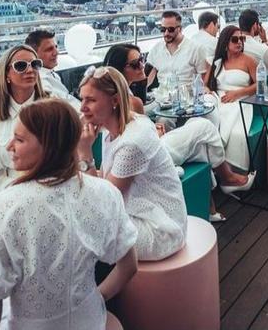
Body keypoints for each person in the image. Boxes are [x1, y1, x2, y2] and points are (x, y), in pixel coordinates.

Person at [0, 100, 138, 330]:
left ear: (48, 145)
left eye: (20, 139)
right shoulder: (105, 192)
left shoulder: (5, 206)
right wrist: (95, 299)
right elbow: (129, 266)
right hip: (90, 321)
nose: (8, 146)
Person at [105, 44, 252, 222]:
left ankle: (211, 204)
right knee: (203, 127)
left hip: (139, 155)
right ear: (121, 70)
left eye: (142, 60)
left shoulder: (113, 98)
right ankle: (227, 180)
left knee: (200, 138)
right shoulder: (132, 101)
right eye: (136, 63)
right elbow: (139, 140)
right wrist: (155, 133)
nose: (143, 65)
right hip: (151, 157)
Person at [77, 67, 188, 261]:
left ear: (114, 101)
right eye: (82, 99)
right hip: (140, 212)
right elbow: (102, 182)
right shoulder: (111, 129)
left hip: (160, 229)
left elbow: (102, 202)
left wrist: (85, 153)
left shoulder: (132, 142)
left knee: (82, 226)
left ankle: (94, 287)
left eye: (91, 100)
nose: (82, 107)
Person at [0, 45, 50, 195]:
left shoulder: (52, 108)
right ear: (7, 75)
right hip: (0, 191)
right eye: (21, 66)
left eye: (35, 64)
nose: (30, 70)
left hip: (43, 190)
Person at [202, 25, 258, 171]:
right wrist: (207, 91)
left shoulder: (248, 61)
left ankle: (227, 167)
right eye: (235, 39)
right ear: (226, 42)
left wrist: (237, 93)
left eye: (242, 38)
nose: (239, 42)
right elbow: (205, 84)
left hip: (240, 100)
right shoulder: (216, 62)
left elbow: (259, 85)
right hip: (219, 98)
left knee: (235, 131)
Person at [147, 11, 209, 90]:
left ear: (180, 29)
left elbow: (203, 80)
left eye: (170, 29)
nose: (166, 33)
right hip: (162, 97)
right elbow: (148, 77)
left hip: (187, 98)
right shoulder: (156, 49)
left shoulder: (195, 49)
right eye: (163, 29)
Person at [25, 29, 80, 106]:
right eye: (49, 49)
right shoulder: (41, 83)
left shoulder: (51, 73)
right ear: (33, 55)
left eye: (56, 47)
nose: (56, 52)